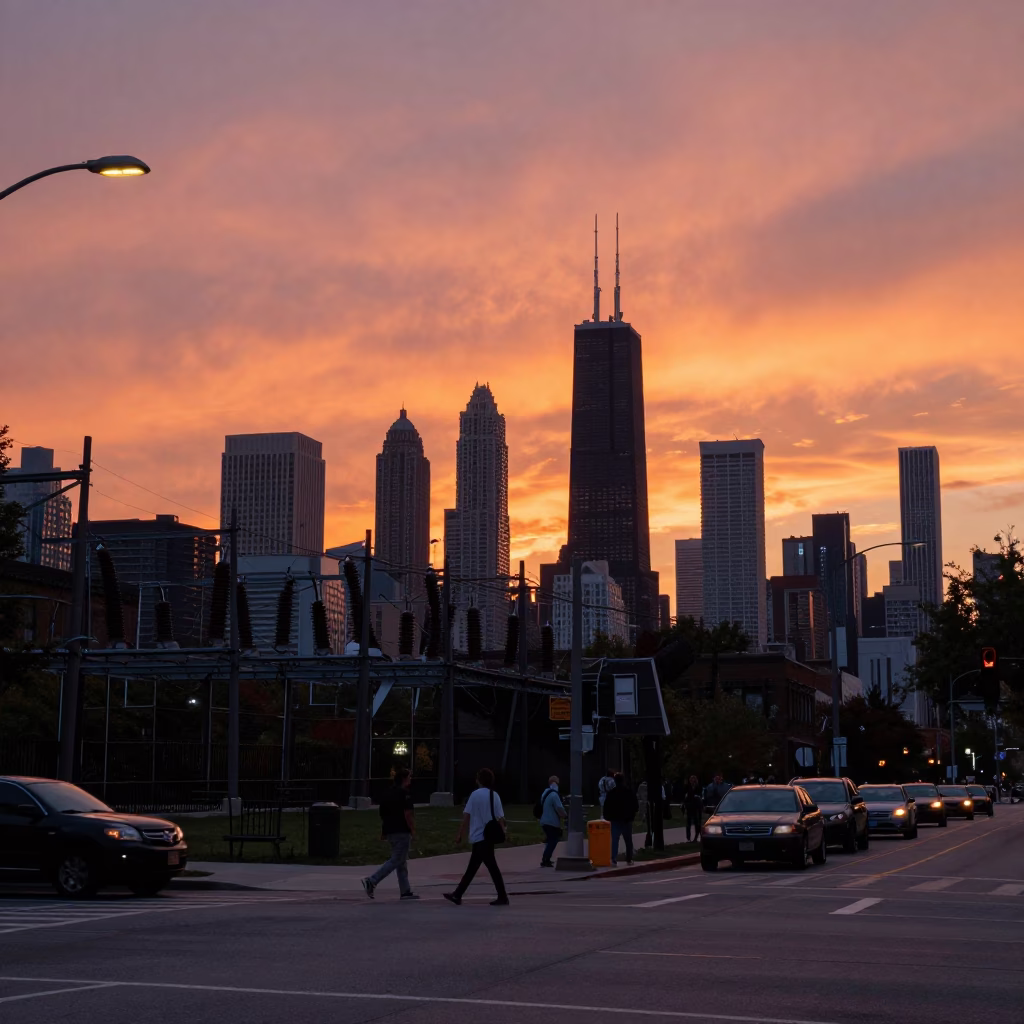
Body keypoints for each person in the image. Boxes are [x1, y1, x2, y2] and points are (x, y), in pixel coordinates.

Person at [444, 768, 510, 906]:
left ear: (479, 780)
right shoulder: (494, 795)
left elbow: (466, 816)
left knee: (490, 868)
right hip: (489, 836)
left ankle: (502, 896)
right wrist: (503, 832)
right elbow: (500, 818)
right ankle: (457, 894)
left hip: (479, 836)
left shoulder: (474, 795)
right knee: (474, 868)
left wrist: (459, 835)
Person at [362, 767, 419, 901]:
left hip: (390, 831)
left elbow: (383, 814)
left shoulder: (387, 794)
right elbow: (408, 814)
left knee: (401, 861)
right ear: (404, 779)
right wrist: (413, 830)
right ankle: (372, 880)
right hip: (402, 831)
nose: (410, 779)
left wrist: (384, 832)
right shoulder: (405, 794)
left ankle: (405, 891)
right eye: (409, 777)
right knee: (397, 860)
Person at [603, 773, 639, 866]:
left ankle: (614, 859)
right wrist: (632, 815)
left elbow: (606, 807)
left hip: (615, 820)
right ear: (623, 781)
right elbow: (635, 805)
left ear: (615, 781)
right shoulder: (629, 792)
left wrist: (608, 817)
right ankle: (629, 859)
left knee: (615, 840)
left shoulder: (611, 793)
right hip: (626, 820)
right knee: (628, 840)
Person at [538, 775, 566, 867]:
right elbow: (559, 807)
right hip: (551, 822)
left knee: (550, 840)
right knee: (553, 840)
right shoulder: (554, 794)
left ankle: (547, 858)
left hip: (544, 821)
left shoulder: (545, 793)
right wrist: (565, 815)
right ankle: (545, 859)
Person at [682, 774, 704, 843]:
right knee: (688, 823)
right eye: (691, 779)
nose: (692, 781)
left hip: (697, 807)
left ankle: (697, 837)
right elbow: (685, 796)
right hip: (689, 806)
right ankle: (688, 838)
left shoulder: (698, 787)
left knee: (697, 822)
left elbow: (700, 796)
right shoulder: (687, 787)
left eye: (693, 779)